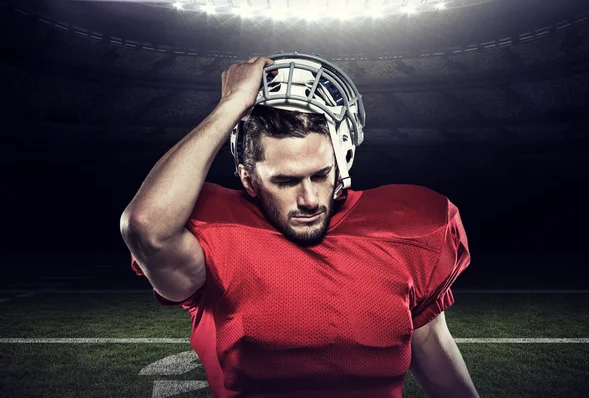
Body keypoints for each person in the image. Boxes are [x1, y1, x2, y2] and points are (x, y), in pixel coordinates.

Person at [121, 52, 479, 398]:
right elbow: (146, 225)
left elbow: (430, 342)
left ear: (343, 160)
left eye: (320, 175)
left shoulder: (409, 229)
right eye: (286, 181)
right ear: (249, 180)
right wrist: (231, 104)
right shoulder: (215, 235)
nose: (309, 199)